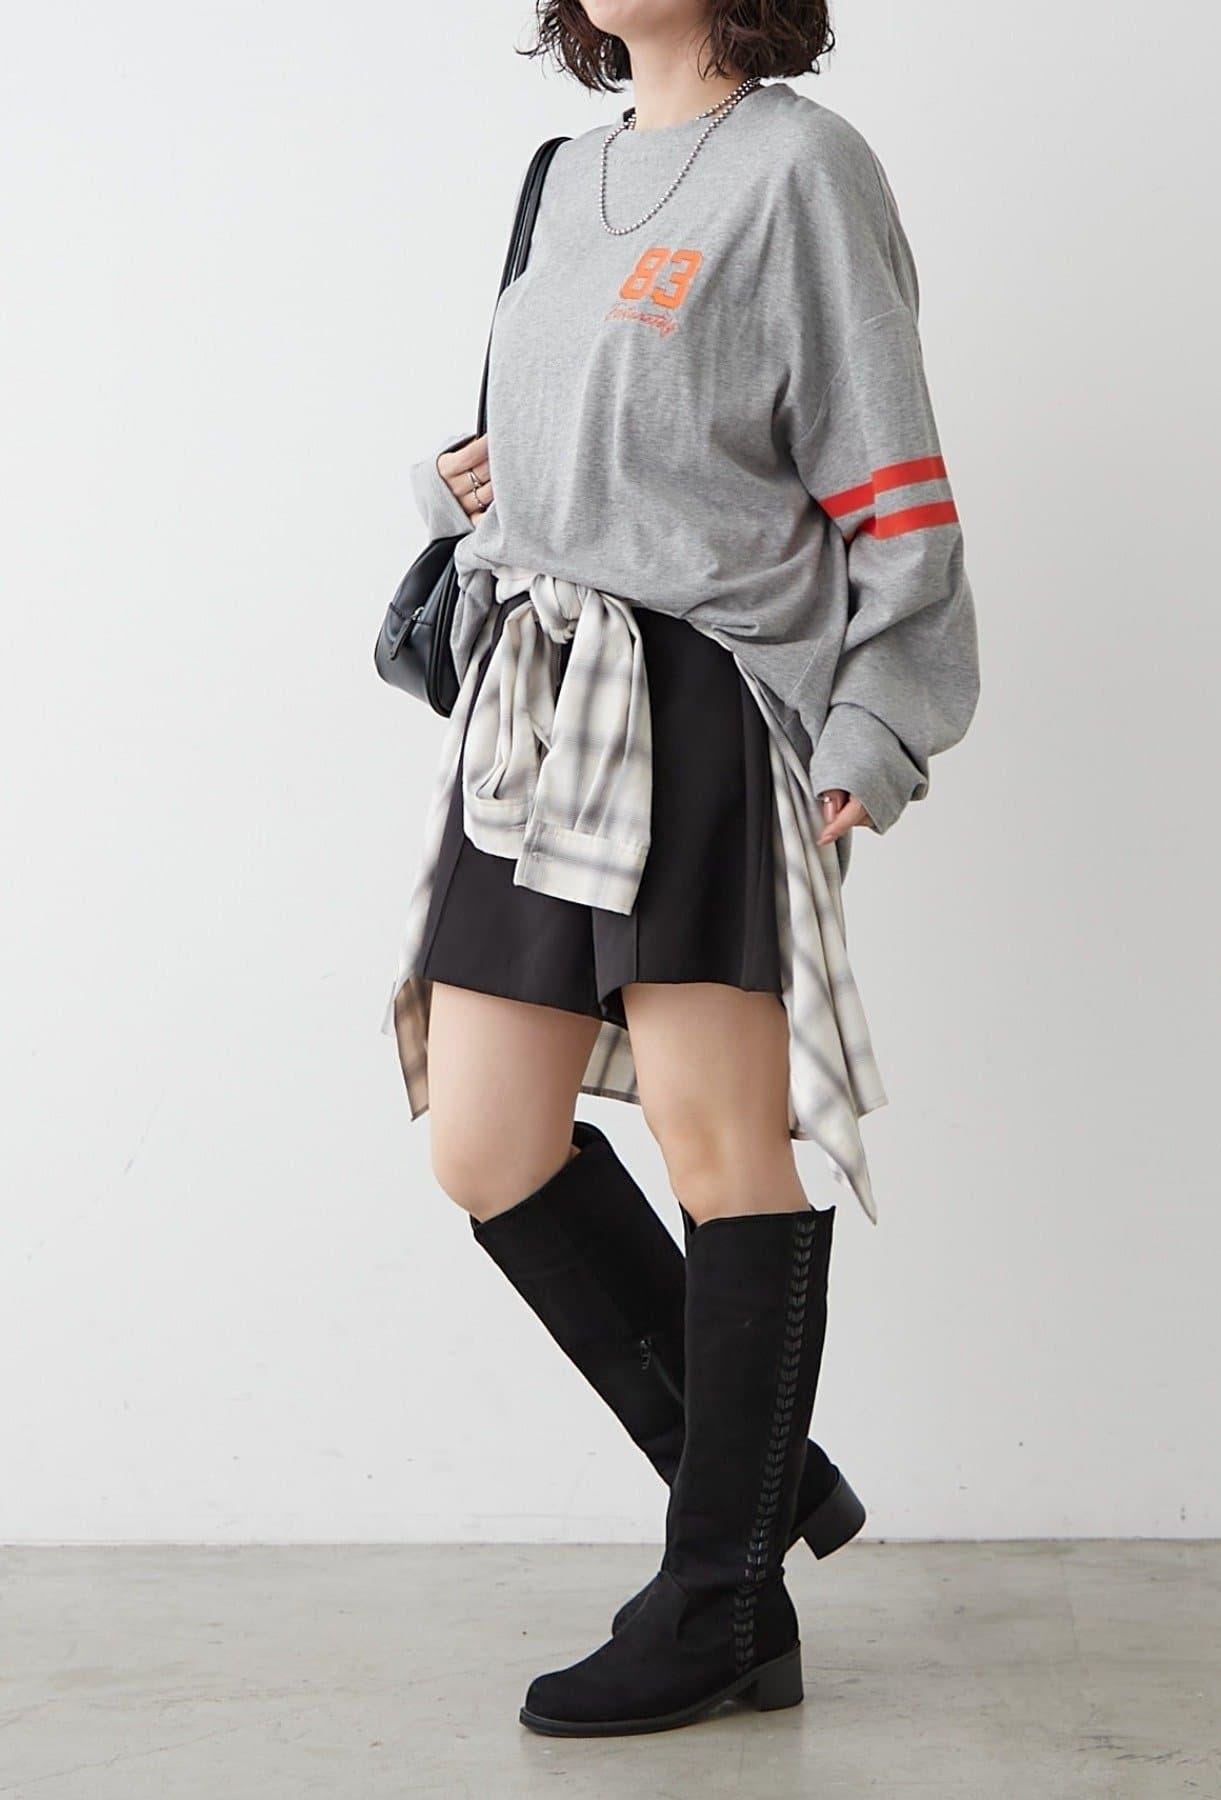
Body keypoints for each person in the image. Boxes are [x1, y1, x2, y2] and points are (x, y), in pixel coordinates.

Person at [380, 0, 979, 1737]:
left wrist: (876, 726)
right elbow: (550, 451)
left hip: (704, 703)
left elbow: (895, 480)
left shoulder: (802, 168)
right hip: (537, 705)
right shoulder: (558, 176)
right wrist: (451, 487)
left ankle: (718, 1596)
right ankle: (759, 1493)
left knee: (725, 1152)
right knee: (485, 1140)